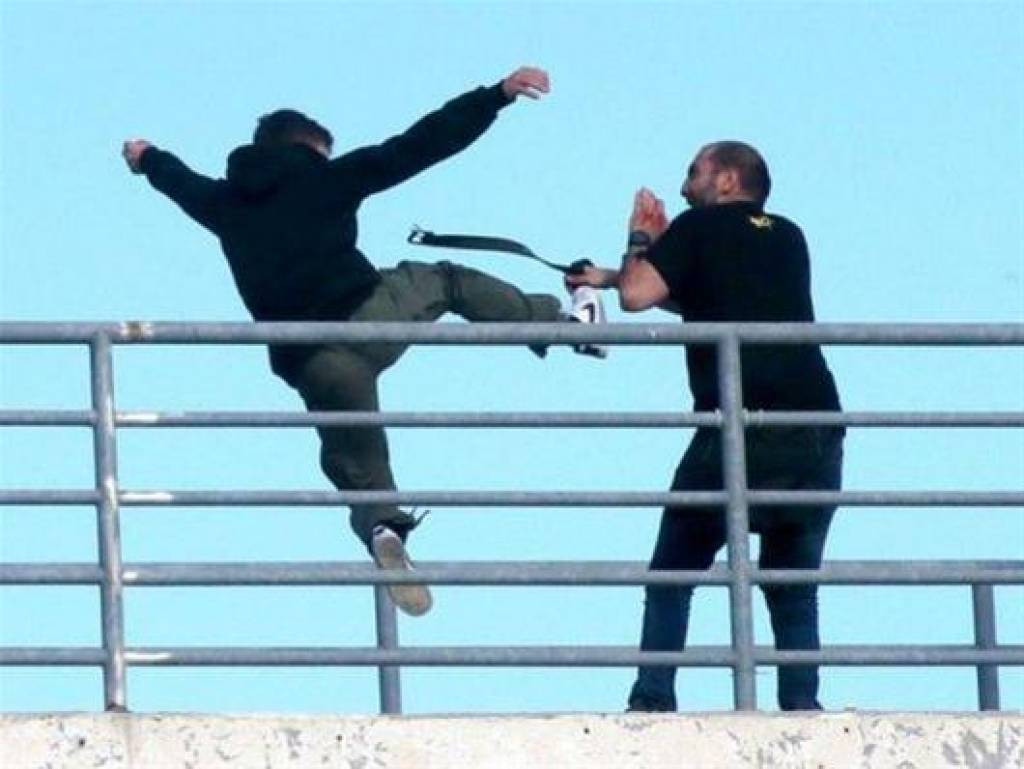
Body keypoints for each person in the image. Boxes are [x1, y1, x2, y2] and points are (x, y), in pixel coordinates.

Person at [122, 66, 605, 617]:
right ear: (311, 148)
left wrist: (146, 156)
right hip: (368, 316)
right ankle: (563, 324)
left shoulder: (222, 202)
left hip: (311, 360)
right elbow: (420, 144)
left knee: (355, 454)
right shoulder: (327, 176)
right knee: (446, 281)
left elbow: (176, 178)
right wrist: (494, 97)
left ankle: (381, 526)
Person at [567, 141, 843, 710]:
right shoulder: (788, 235)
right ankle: (802, 707)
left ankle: (652, 701)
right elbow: (713, 294)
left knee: (673, 572)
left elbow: (641, 296)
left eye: (694, 172)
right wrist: (610, 276)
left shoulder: (697, 227)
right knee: (792, 583)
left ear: (726, 180)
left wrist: (642, 240)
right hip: (815, 423)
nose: (683, 184)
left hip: (741, 425)